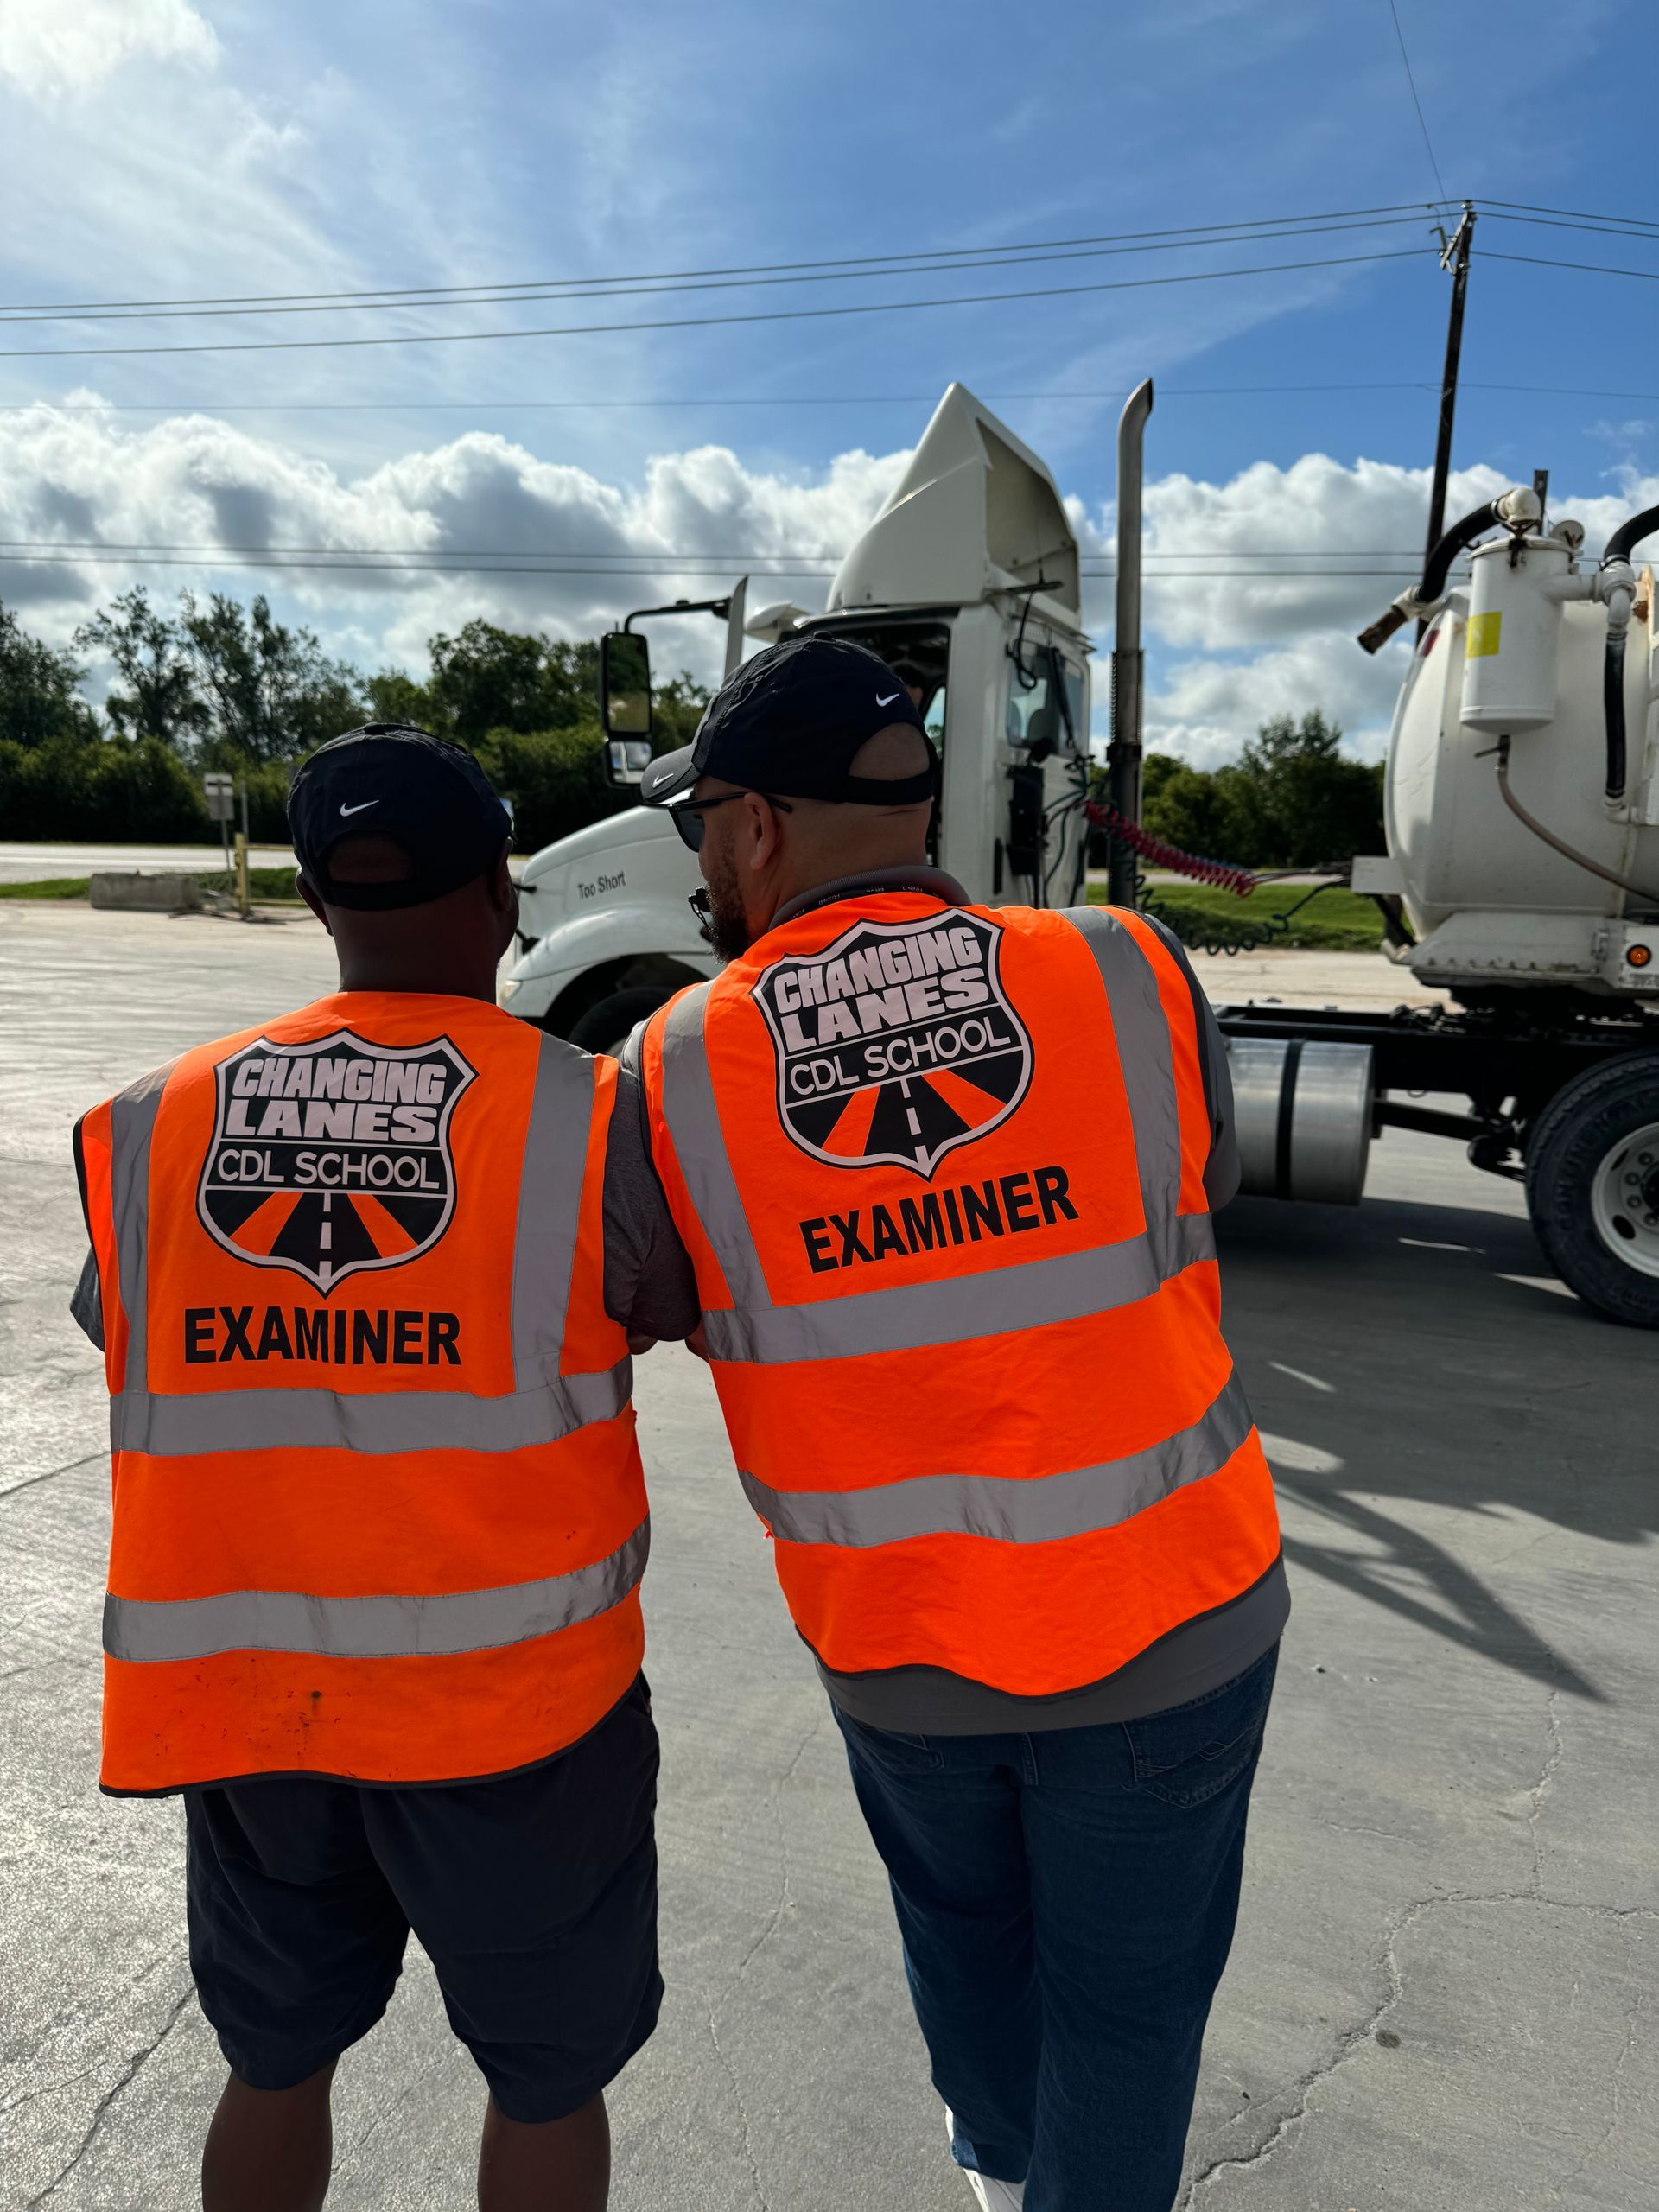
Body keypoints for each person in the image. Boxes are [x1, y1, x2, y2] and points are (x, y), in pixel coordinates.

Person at [629, 636, 1286, 2212]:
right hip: (1171, 1622)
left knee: (969, 1962)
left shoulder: (672, 1069)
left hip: (905, 1650)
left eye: (693, 828)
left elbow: (612, 1299)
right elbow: (1197, 1192)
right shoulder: (1130, 968)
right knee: (1127, 2026)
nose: (701, 866)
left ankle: (1001, 2180)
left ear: (757, 829)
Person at [69, 724, 697, 2212]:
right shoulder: (588, 1114)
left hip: (249, 1705)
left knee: (272, 2062)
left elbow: (124, 1324)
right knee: (547, 2076)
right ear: (499, 892)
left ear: (315, 902)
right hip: (520, 1712)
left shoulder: (152, 1124)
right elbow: (669, 1304)